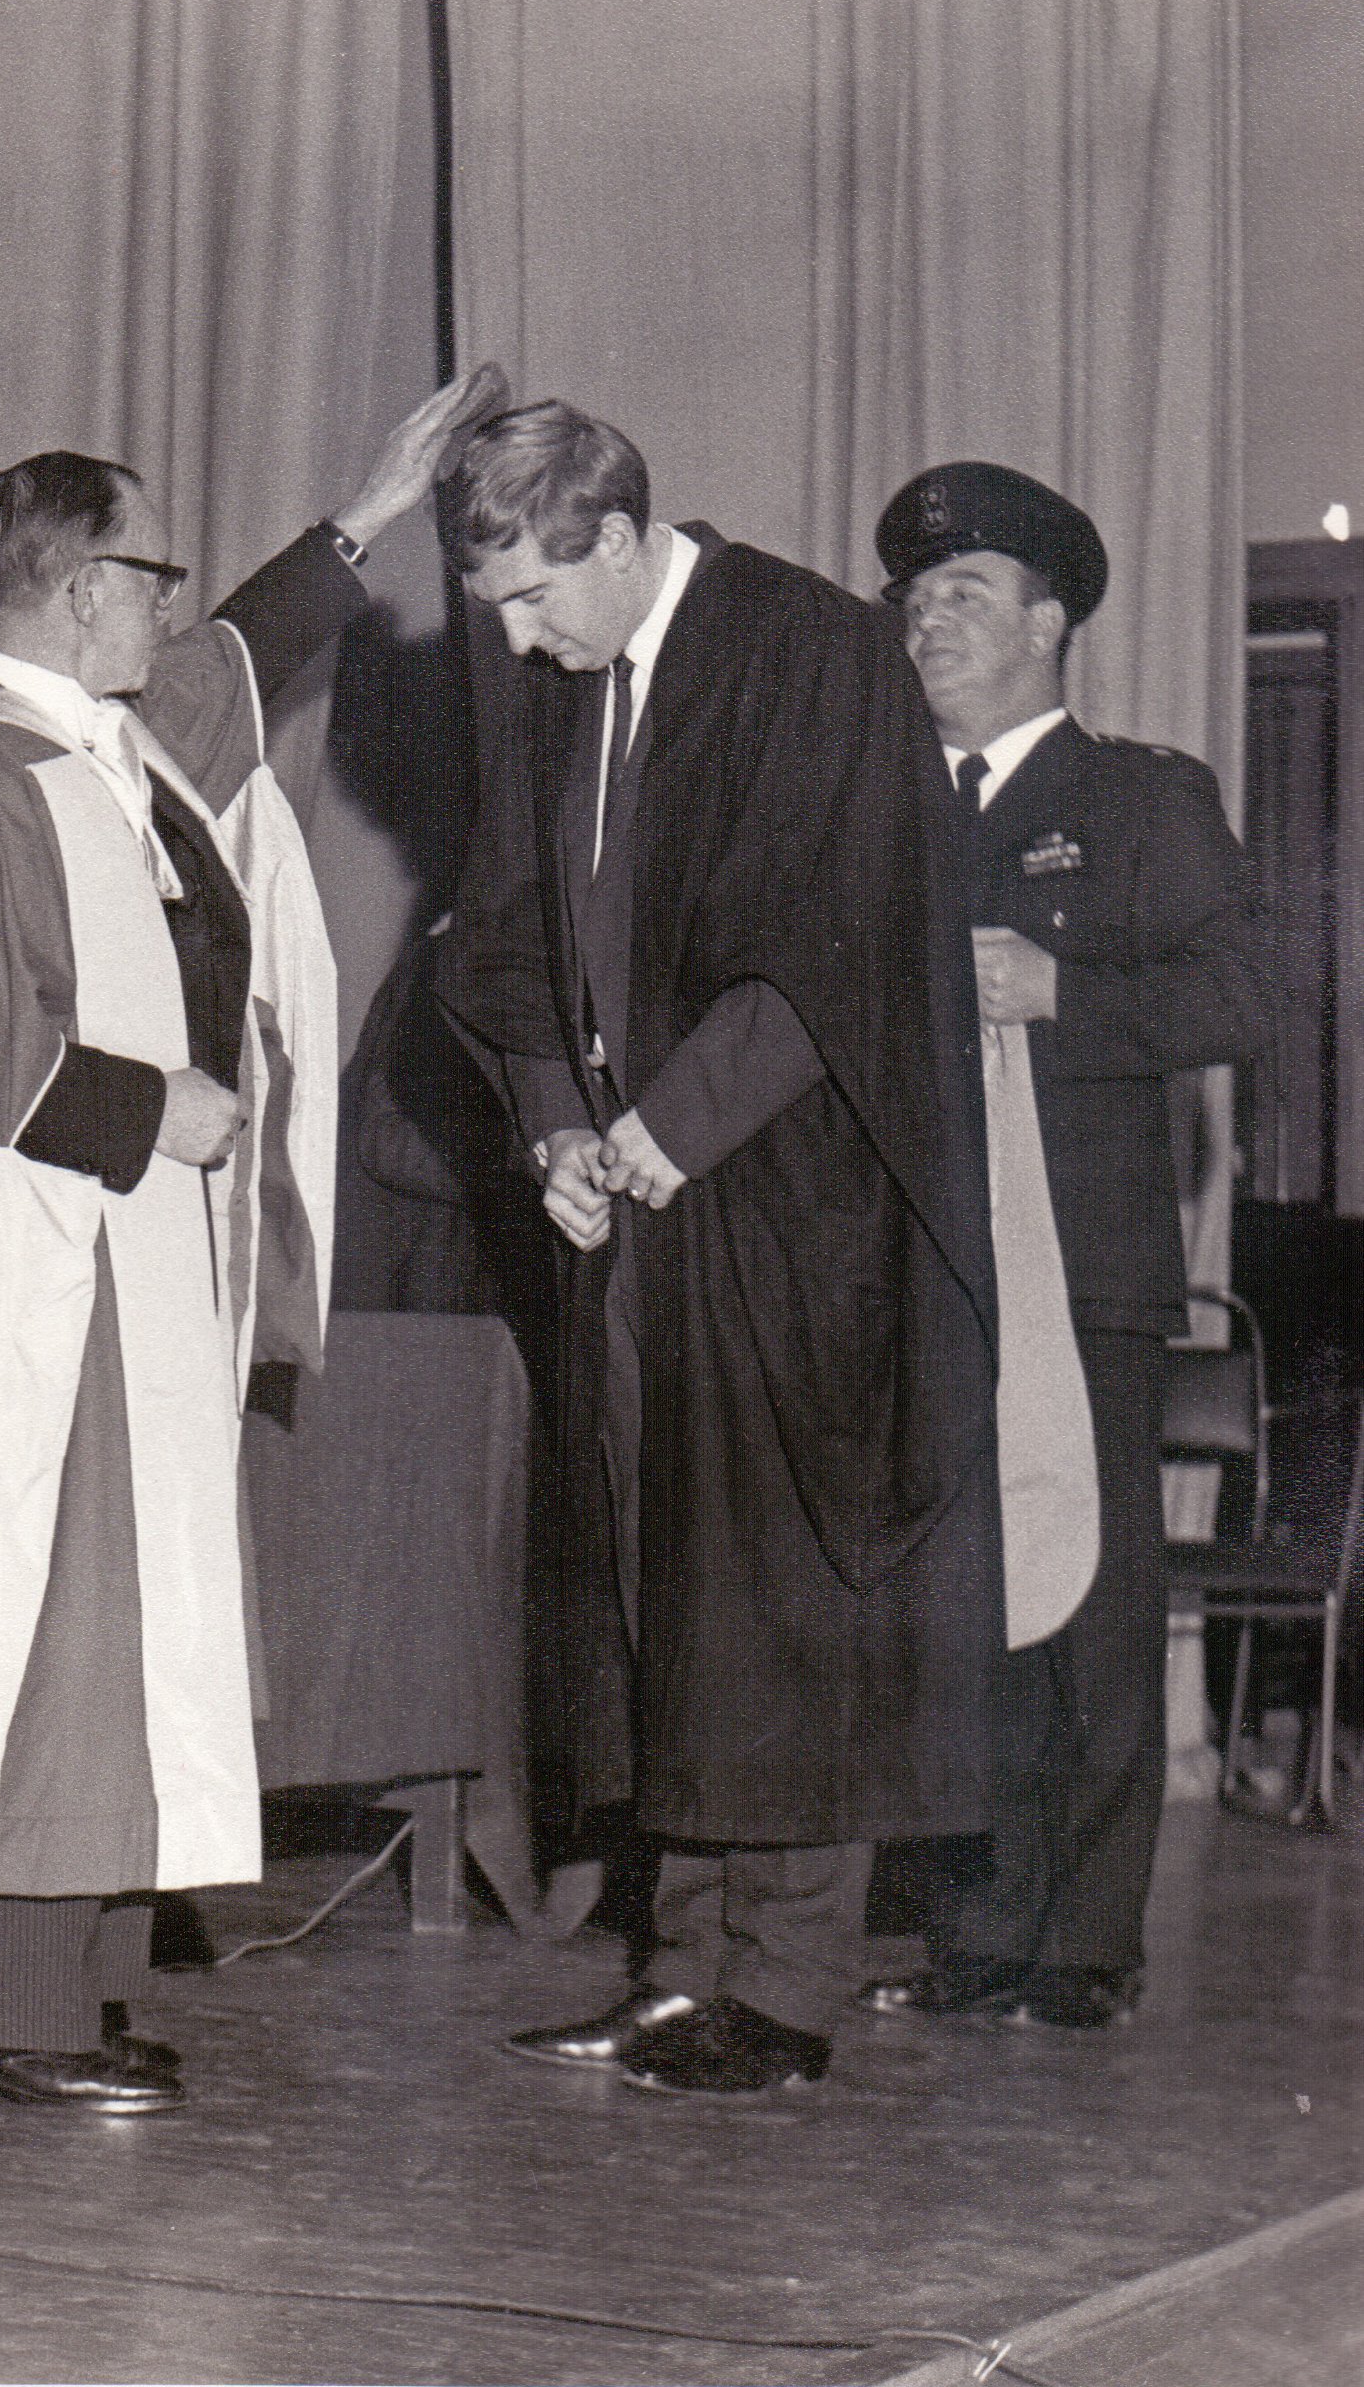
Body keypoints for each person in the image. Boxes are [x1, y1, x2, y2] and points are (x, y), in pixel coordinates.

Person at [0, 376, 483, 2114]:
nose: (170, 605)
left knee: (124, 1626)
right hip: (19, 1281)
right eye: (150, 574)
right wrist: (142, 1107)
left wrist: (367, 517)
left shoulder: (112, 754)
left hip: (123, 1272)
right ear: (82, 585)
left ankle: (71, 1995)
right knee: (49, 1612)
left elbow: (236, 656)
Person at [435, 401, 1002, 2095]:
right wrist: (552, 1125)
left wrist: (669, 1129)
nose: (522, 644)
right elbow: (510, 938)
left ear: (613, 539)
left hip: (786, 1200)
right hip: (632, 1202)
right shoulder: (568, 684)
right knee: (655, 1588)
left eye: (538, 600)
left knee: (782, 1589)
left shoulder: (811, 652)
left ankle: (789, 1991)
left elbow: (840, 947)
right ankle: (680, 1970)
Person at [870, 460, 1272, 2028]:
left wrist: (1063, 999)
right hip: (925, 1273)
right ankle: (974, 1935)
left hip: (1082, 1275)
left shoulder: (1140, 800)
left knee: (1091, 1609)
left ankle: (1085, 1949)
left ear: (1049, 619)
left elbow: (1245, 1002)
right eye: (915, 602)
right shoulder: (886, 798)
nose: (928, 625)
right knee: (961, 1606)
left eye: (963, 596)